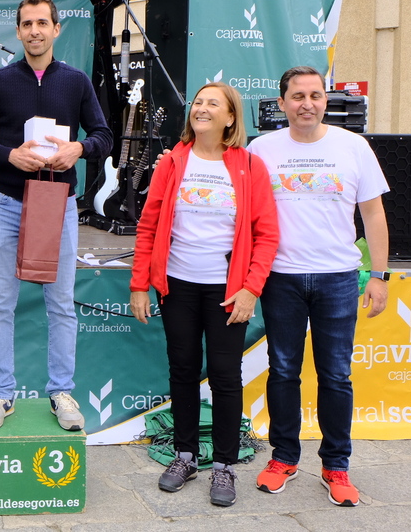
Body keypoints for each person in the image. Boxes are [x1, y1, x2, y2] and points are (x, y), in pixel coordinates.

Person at [0, 0, 112, 432]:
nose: (34, 31)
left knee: (61, 303)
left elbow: (104, 135)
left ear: (56, 29)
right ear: (18, 30)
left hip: (59, 206)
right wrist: (11, 157)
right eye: (26, 24)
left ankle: (61, 392)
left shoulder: (76, 81)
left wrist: (78, 149)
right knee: (1, 303)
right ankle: (0, 394)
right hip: (8, 203)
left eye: (42, 23)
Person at [129, 82, 279, 507]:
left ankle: (225, 465)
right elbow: (148, 226)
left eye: (213, 103)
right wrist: (140, 283)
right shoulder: (173, 162)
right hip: (177, 285)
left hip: (227, 291)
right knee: (182, 371)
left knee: (227, 377)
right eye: (198, 101)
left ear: (231, 118)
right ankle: (185, 456)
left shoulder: (250, 166)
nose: (202, 108)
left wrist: (251, 289)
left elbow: (266, 235)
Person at [247, 66, 390, 507]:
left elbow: (374, 215)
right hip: (281, 279)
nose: (307, 103)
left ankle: (336, 466)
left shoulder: (354, 147)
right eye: (297, 96)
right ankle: (283, 458)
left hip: (339, 279)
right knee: (284, 371)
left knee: (336, 375)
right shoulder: (261, 149)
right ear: (282, 102)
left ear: (325, 100)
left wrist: (380, 277)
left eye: (315, 95)